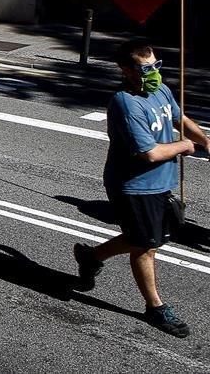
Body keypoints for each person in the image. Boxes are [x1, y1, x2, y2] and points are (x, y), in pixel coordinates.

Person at [73, 41, 208, 338]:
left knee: (144, 237)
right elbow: (148, 153)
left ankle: (91, 257)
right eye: (146, 68)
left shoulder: (160, 90)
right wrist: (186, 145)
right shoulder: (125, 102)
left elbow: (178, 118)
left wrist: (204, 140)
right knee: (146, 246)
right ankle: (155, 308)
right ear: (126, 70)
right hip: (134, 186)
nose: (155, 73)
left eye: (157, 66)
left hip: (160, 181)